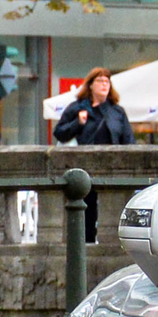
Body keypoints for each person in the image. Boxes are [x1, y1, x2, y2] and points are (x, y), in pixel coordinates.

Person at [55, 68, 134, 240]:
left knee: (113, 213)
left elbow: (128, 141)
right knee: (86, 214)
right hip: (84, 170)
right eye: (100, 81)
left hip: (112, 169)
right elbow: (59, 132)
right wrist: (78, 123)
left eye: (107, 81)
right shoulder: (77, 108)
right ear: (90, 85)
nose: (104, 84)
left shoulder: (116, 111)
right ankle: (86, 245)